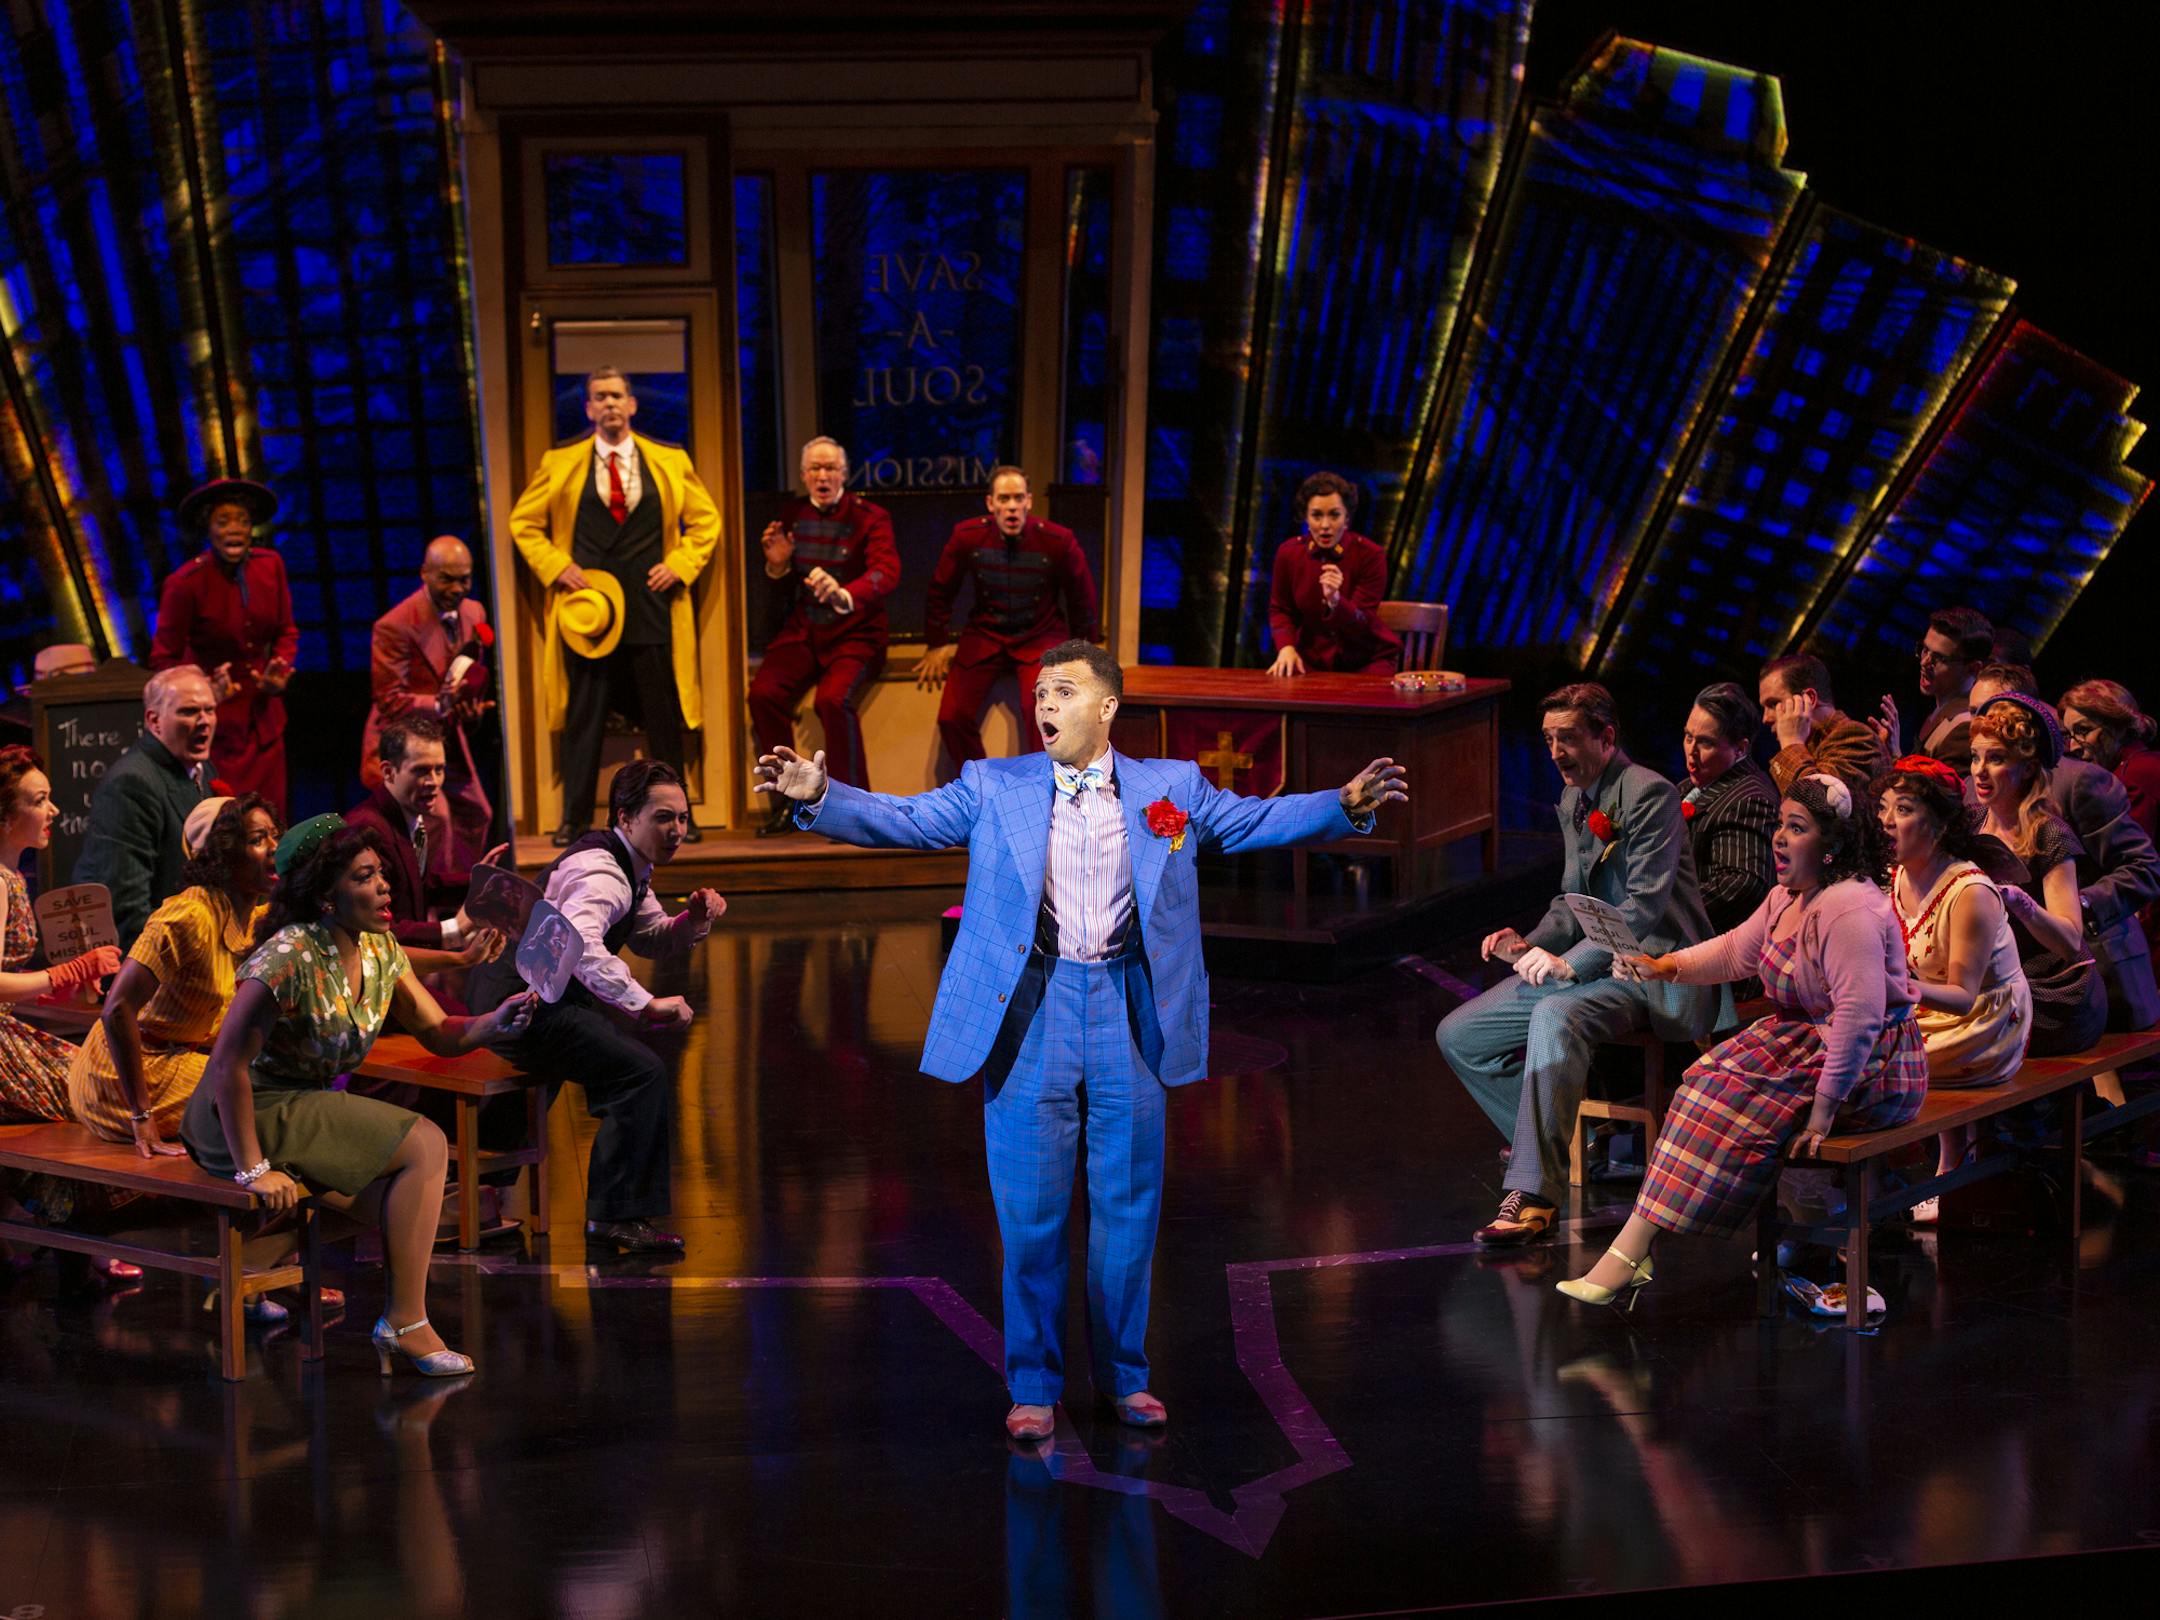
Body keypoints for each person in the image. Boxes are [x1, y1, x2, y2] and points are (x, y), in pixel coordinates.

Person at [754, 639, 1406, 1439]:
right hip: (1034, 1011)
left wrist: (1343, 803)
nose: (1044, 706)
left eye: (1063, 692)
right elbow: (909, 821)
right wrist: (821, 795)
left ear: (1106, 708)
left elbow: (1254, 819)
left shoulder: (1171, 787)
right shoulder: (996, 784)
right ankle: (1033, 1383)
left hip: (1130, 1009)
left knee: (1128, 1210)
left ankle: (1127, 1379)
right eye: (1039, 693)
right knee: (1030, 1215)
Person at [181, 815, 538, 1375]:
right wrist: (253, 1170)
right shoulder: (288, 956)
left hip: (301, 1106)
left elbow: (440, 1031)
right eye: (365, 876)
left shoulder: (379, 950)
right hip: (244, 1112)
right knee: (423, 1142)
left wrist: (497, 1021)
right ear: (326, 895)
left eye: (382, 875)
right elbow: (227, 1065)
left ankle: (242, 1268)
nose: (384, 886)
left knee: (399, 1203)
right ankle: (405, 1323)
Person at [1557, 774, 1926, 1311]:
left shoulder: (1850, 910)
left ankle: (1635, 1251)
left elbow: (1859, 1019)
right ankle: (1637, 1248)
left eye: (1795, 828)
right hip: (1809, 1044)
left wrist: (1823, 1114)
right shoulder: (1788, 898)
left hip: (1873, 1068)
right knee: (1700, 1086)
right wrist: (1665, 965)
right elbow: (1735, 952)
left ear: (1832, 845)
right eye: (1779, 823)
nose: (1778, 837)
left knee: (1722, 1098)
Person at [1436, 684, 1722, 1245]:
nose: (1556, 752)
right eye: (1548, 739)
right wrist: (1529, 943)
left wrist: (1570, 965)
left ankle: (1533, 1196)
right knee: (1459, 1034)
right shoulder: (1573, 800)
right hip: (1593, 965)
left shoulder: (1650, 794)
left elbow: (1643, 906)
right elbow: (1570, 901)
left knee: (1554, 1017)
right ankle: (1558, 1147)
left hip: (1653, 970)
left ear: (1606, 736)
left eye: (1568, 737)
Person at [465, 759, 723, 1256]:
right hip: (518, 1004)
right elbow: (581, 944)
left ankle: (487, 1189)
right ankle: (614, 1217)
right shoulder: (603, 871)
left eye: (683, 818)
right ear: (625, 818)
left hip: (538, 997)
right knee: (639, 1073)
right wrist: (645, 1005)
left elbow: (648, 934)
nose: (677, 831)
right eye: (664, 818)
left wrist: (690, 920)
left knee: (611, 1059)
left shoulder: (629, 865)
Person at [510, 367, 719, 847]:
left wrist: (681, 564)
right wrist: (556, 565)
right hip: (590, 609)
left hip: (650, 602)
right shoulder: (561, 464)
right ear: (588, 408)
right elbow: (525, 521)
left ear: (631, 405)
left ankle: (678, 817)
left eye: (616, 395)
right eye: (599, 396)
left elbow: (705, 520)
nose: (608, 403)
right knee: (585, 716)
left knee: (661, 718)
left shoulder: (668, 460)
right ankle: (573, 818)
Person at [68, 795, 279, 1154]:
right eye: (258, 839)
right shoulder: (188, 916)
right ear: (222, 854)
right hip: (128, 1076)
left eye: (276, 836)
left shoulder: (254, 918)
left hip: (181, 1060)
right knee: (263, 1103)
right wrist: (141, 1116)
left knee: (280, 1092)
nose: (275, 848)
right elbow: (116, 1009)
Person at [1877, 754, 2031, 1207]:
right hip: (1928, 1012)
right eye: (1884, 808)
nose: (1887, 822)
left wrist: (1896, 990)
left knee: (1872, 1058)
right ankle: (1895, 1181)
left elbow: (1964, 998)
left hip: (1985, 1021)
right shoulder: (1896, 875)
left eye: (1903, 810)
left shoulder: (1969, 891)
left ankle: (1894, 1182)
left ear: (1939, 826)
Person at [1971, 668, 2160, 1035]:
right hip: (2017, 977)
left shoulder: (2078, 783)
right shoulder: (1975, 798)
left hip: (2095, 970)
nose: (1980, 719)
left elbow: (2144, 867)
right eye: (1975, 711)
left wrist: (2078, 905)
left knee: (2126, 1081)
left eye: (1989, 709)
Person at [749, 437, 900, 830]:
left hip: (857, 633)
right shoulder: (791, 516)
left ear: (844, 475)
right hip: (806, 630)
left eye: (830, 468)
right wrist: (778, 568)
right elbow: (780, 590)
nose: (823, 476)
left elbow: (887, 571)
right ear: (803, 475)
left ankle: (853, 809)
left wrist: (846, 593)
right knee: (763, 693)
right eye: (815, 469)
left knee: (832, 700)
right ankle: (785, 802)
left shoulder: (871, 516)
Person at [917, 465, 1100, 766]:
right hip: (985, 634)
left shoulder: (1057, 540)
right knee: (951, 716)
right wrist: (936, 641)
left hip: (1040, 635)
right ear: (991, 504)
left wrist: (1086, 652)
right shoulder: (968, 536)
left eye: (1018, 498)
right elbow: (940, 589)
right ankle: (984, 784)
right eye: (1004, 499)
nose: (1011, 506)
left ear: (1029, 501)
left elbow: (1082, 596)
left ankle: (1040, 787)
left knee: (1040, 711)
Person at [148, 478, 297, 816]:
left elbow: (287, 631)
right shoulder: (185, 584)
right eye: (223, 521)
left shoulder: (270, 565)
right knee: (227, 824)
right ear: (208, 528)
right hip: (216, 732)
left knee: (273, 820)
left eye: (242, 521)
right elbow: (162, 660)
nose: (235, 530)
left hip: (265, 724)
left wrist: (281, 669)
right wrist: (200, 691)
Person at [1968, 696, 2106, 1054]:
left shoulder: (2048, 834)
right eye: (1975, 757)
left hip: (2047, 992)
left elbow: (2068, 940)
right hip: (1990, 983)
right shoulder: (1969, 825)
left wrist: (2021, 903)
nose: (1980, 770)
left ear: (2027, 768)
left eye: (1996, 758)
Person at [1, 745, 124, 1122]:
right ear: (5, 817)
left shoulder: (12, 876)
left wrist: (66, 980)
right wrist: (68, 971)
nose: (53, 811)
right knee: (99, 1092)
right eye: (40, 801)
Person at [360, 536, 495, 859]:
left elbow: (468, 674)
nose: (458, 589)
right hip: (401, 745)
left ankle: (461, 896)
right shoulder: (395, 625)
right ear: (425, 573)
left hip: (445, 739)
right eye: (446, 579)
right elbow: (389, 700)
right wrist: (438, 704)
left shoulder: (473, 612)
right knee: (439, 819)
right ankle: (428, 904)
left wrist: (469, 708)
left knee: (479, 813)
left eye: (464, 579)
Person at [75, 664, 218, 949]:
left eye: (210, 710)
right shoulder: (132, 783)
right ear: (154, 721)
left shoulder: (202, 770)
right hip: (157, 970)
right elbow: (127, 906)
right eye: (189, 711)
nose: (204, 721)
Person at [344, 716, 501, 965]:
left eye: (439, 769)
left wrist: (480, 880)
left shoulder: (409, 815)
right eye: (421, 771)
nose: (434, 782)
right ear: (388, 771)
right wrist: (454, 929)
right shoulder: (367, 831)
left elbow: (417, 886)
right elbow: (374, 931)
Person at [1265, 472, 1402, 677]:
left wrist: (1336, 602)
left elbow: (1363, 621)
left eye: (1334, 515)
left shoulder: (1370, 555)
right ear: (1306, 517)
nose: (1325, 525)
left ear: (1347, 518)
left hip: (1366, 659)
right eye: (1317, 515)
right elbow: (1280, 609)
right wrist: (1286, 647)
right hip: (1312, 661)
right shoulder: (1289, 553)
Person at [2061, 678, 2160, 960]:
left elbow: (2138, 870)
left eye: (2083, 731)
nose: (2073, 746)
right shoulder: (2144, 764)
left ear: (2117, 725)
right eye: (2068, 734)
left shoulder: (2132, 778)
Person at [1679, 681, 1777, 934]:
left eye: (1706, 743)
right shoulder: (1688, 785)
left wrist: (1667, 908)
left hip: (1704, 951)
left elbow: (1742, 884)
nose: (1692, 751)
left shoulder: (1751, 799)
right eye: (1688, 737)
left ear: (1740, 748)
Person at [1870, 606, 1992, 771]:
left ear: (1972, 668)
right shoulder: (1940, 709)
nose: (1924, 662)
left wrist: (1895, 757)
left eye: (1939, 658)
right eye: (1925, 650)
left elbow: (1934, 794)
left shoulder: (1965, 729)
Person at [1758, 652, 1885, 800]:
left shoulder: (1856, 737)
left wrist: (1791, 743)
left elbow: (1820, 805)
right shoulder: (1811, 744)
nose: (1765, 719)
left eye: (1773, 704)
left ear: (1809, 699)